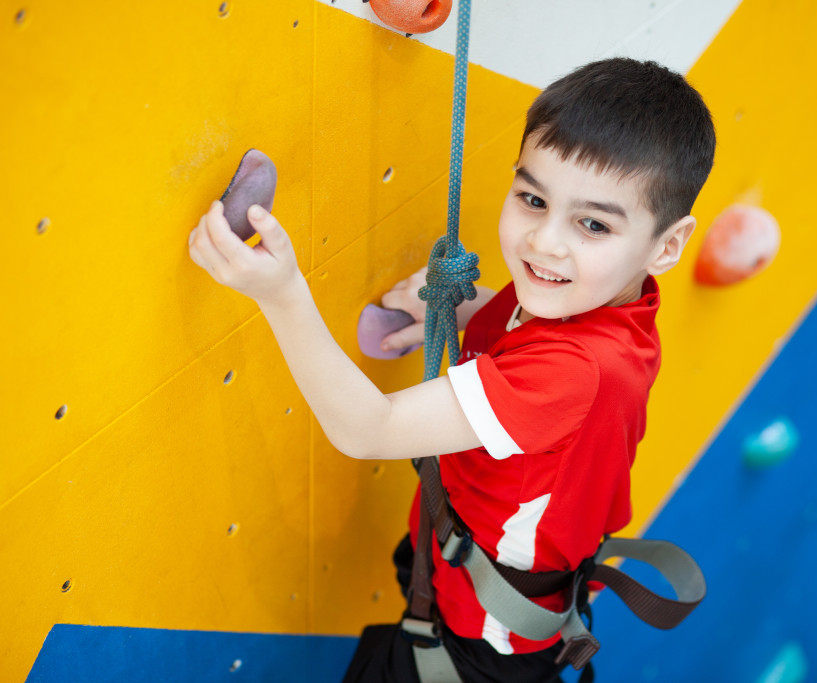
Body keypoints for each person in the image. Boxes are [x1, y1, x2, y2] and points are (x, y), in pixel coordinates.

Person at [188, 57, 715, 682]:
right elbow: (549, 346)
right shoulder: (617, 300)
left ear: (667, 245)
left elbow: (369, 429)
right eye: (532, 198)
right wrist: (466, 309)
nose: (544, 242)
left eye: (592, 224)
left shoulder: (573, 371)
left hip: (482, 641)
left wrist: (280, 294)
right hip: (471, 567)